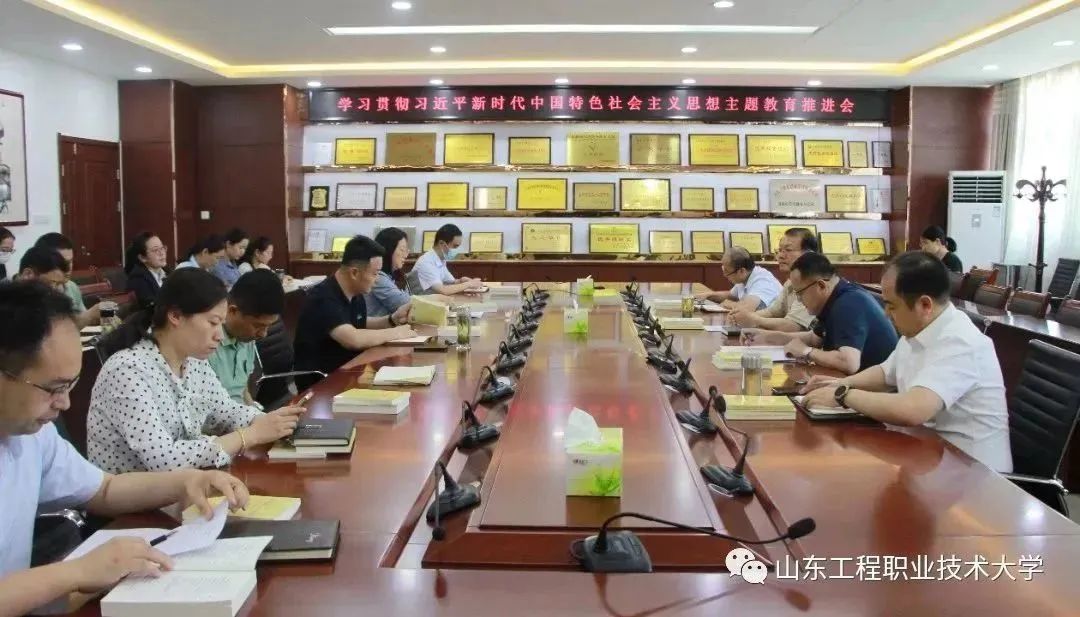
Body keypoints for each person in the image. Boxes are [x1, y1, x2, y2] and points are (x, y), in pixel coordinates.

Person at [0, 280, 251, 616]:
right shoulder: (126, 370)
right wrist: (76, 573)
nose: (65, 403)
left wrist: (187, 481)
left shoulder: (32, 435)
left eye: (71, 386)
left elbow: (104, 489)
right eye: (54, 388)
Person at [802, 251, 1012, 472]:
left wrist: (843, 395)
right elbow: (885, 373)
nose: (886, 314)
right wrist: (841, 383)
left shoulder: (960, 342)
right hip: (930, 456)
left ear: (925, 305)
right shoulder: (919, 328)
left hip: (974, 474)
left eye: (892, 306)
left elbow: (912, 409)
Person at [87, 268, 304, 474]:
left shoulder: (193, 362)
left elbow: (225, 411)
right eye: (213, 323)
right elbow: (164, 460)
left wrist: (267, 421)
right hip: (138, 498)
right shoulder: (127, 371)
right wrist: (250, 435)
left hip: (184, 486)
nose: (219, 335)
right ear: (176, 316)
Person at [294, 235, 417, 390]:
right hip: (322, 383)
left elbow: (358, 322)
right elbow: (353, 338)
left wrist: (392, 319)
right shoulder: (323, 298)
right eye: (375, 273)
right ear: (354, 273)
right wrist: (396, 333)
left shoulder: (355, 293)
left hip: (350, 372)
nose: (377, 279)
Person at [742, 252, 898, 375]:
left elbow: (849, 362)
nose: (799, 300)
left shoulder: (848, 303)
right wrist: (766, 336)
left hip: (878, 392)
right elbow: (814, 339)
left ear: (821, 286)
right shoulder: (834, 297)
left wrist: (806, 352)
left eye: (800, 293)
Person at [207, 270, 283, 405]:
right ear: (232, 311)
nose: (263, 334)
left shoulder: (245, 337)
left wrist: (255, 411)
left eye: (268, 326)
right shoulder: (205, 343)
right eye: (258, 326)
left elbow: (242, 390)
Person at [729, 228, 816, 332]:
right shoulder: (790, 283)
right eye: (779, 250)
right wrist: (743, 317)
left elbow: (794, 326)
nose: (780, 256)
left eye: (788, 250)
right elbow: (773, 312)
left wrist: (754, 319)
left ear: (809, 254)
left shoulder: (813, 282)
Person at [34, 233, 101, 327]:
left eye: (71, 261)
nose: (68, 268)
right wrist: (90, 315)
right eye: (62, 263)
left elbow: (84, 321)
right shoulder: (33, 292)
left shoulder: (71, 287)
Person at [696, 247, 782, 312]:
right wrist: (709, 295)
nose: (724, 275)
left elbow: (747, 308)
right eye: (723, 269)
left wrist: (730, 304)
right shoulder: (745, 276)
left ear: (741, 271)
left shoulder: (763, 281)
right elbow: (731, 296)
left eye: (727, 271)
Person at [411, 224, 482, 295]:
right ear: (441, 243)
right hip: (422, 300)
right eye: (455, 246)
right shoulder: (426, 262)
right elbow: (443, 290)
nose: (456, 250)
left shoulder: (440, 260)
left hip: (434, 299)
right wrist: (468, 284)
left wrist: (461, 281)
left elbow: (450, 282)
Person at [124, 232, 169, 311]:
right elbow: (151, 309)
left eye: (162, 248)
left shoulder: (168, 272)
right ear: (142, 258)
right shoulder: (137, 279)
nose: (162, 253)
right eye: (155, 250)